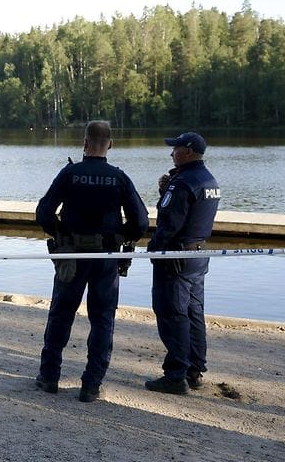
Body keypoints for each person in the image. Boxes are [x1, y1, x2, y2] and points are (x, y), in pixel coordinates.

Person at [34, 120, 149, 402]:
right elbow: (142, 222)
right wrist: (119, 236)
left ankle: (49, 378)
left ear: (85, 143)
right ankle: (91, 385)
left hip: (72, 255)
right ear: (110, 144)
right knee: (102, 320)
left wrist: (60, 233)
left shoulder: (70, 174)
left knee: (61, 314)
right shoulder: (119, 177)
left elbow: (44, 211)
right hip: (105, 257)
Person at [145, 132, 220, 394]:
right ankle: (195, 370)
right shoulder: (209, 179)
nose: (171, 153)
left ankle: (176, 374)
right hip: (198, 255)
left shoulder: (183, 182)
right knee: (193, 313)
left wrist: (153, 249)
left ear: (187, 151)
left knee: (172, 314)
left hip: (176, 258)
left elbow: (169, 223)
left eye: (175, 149)